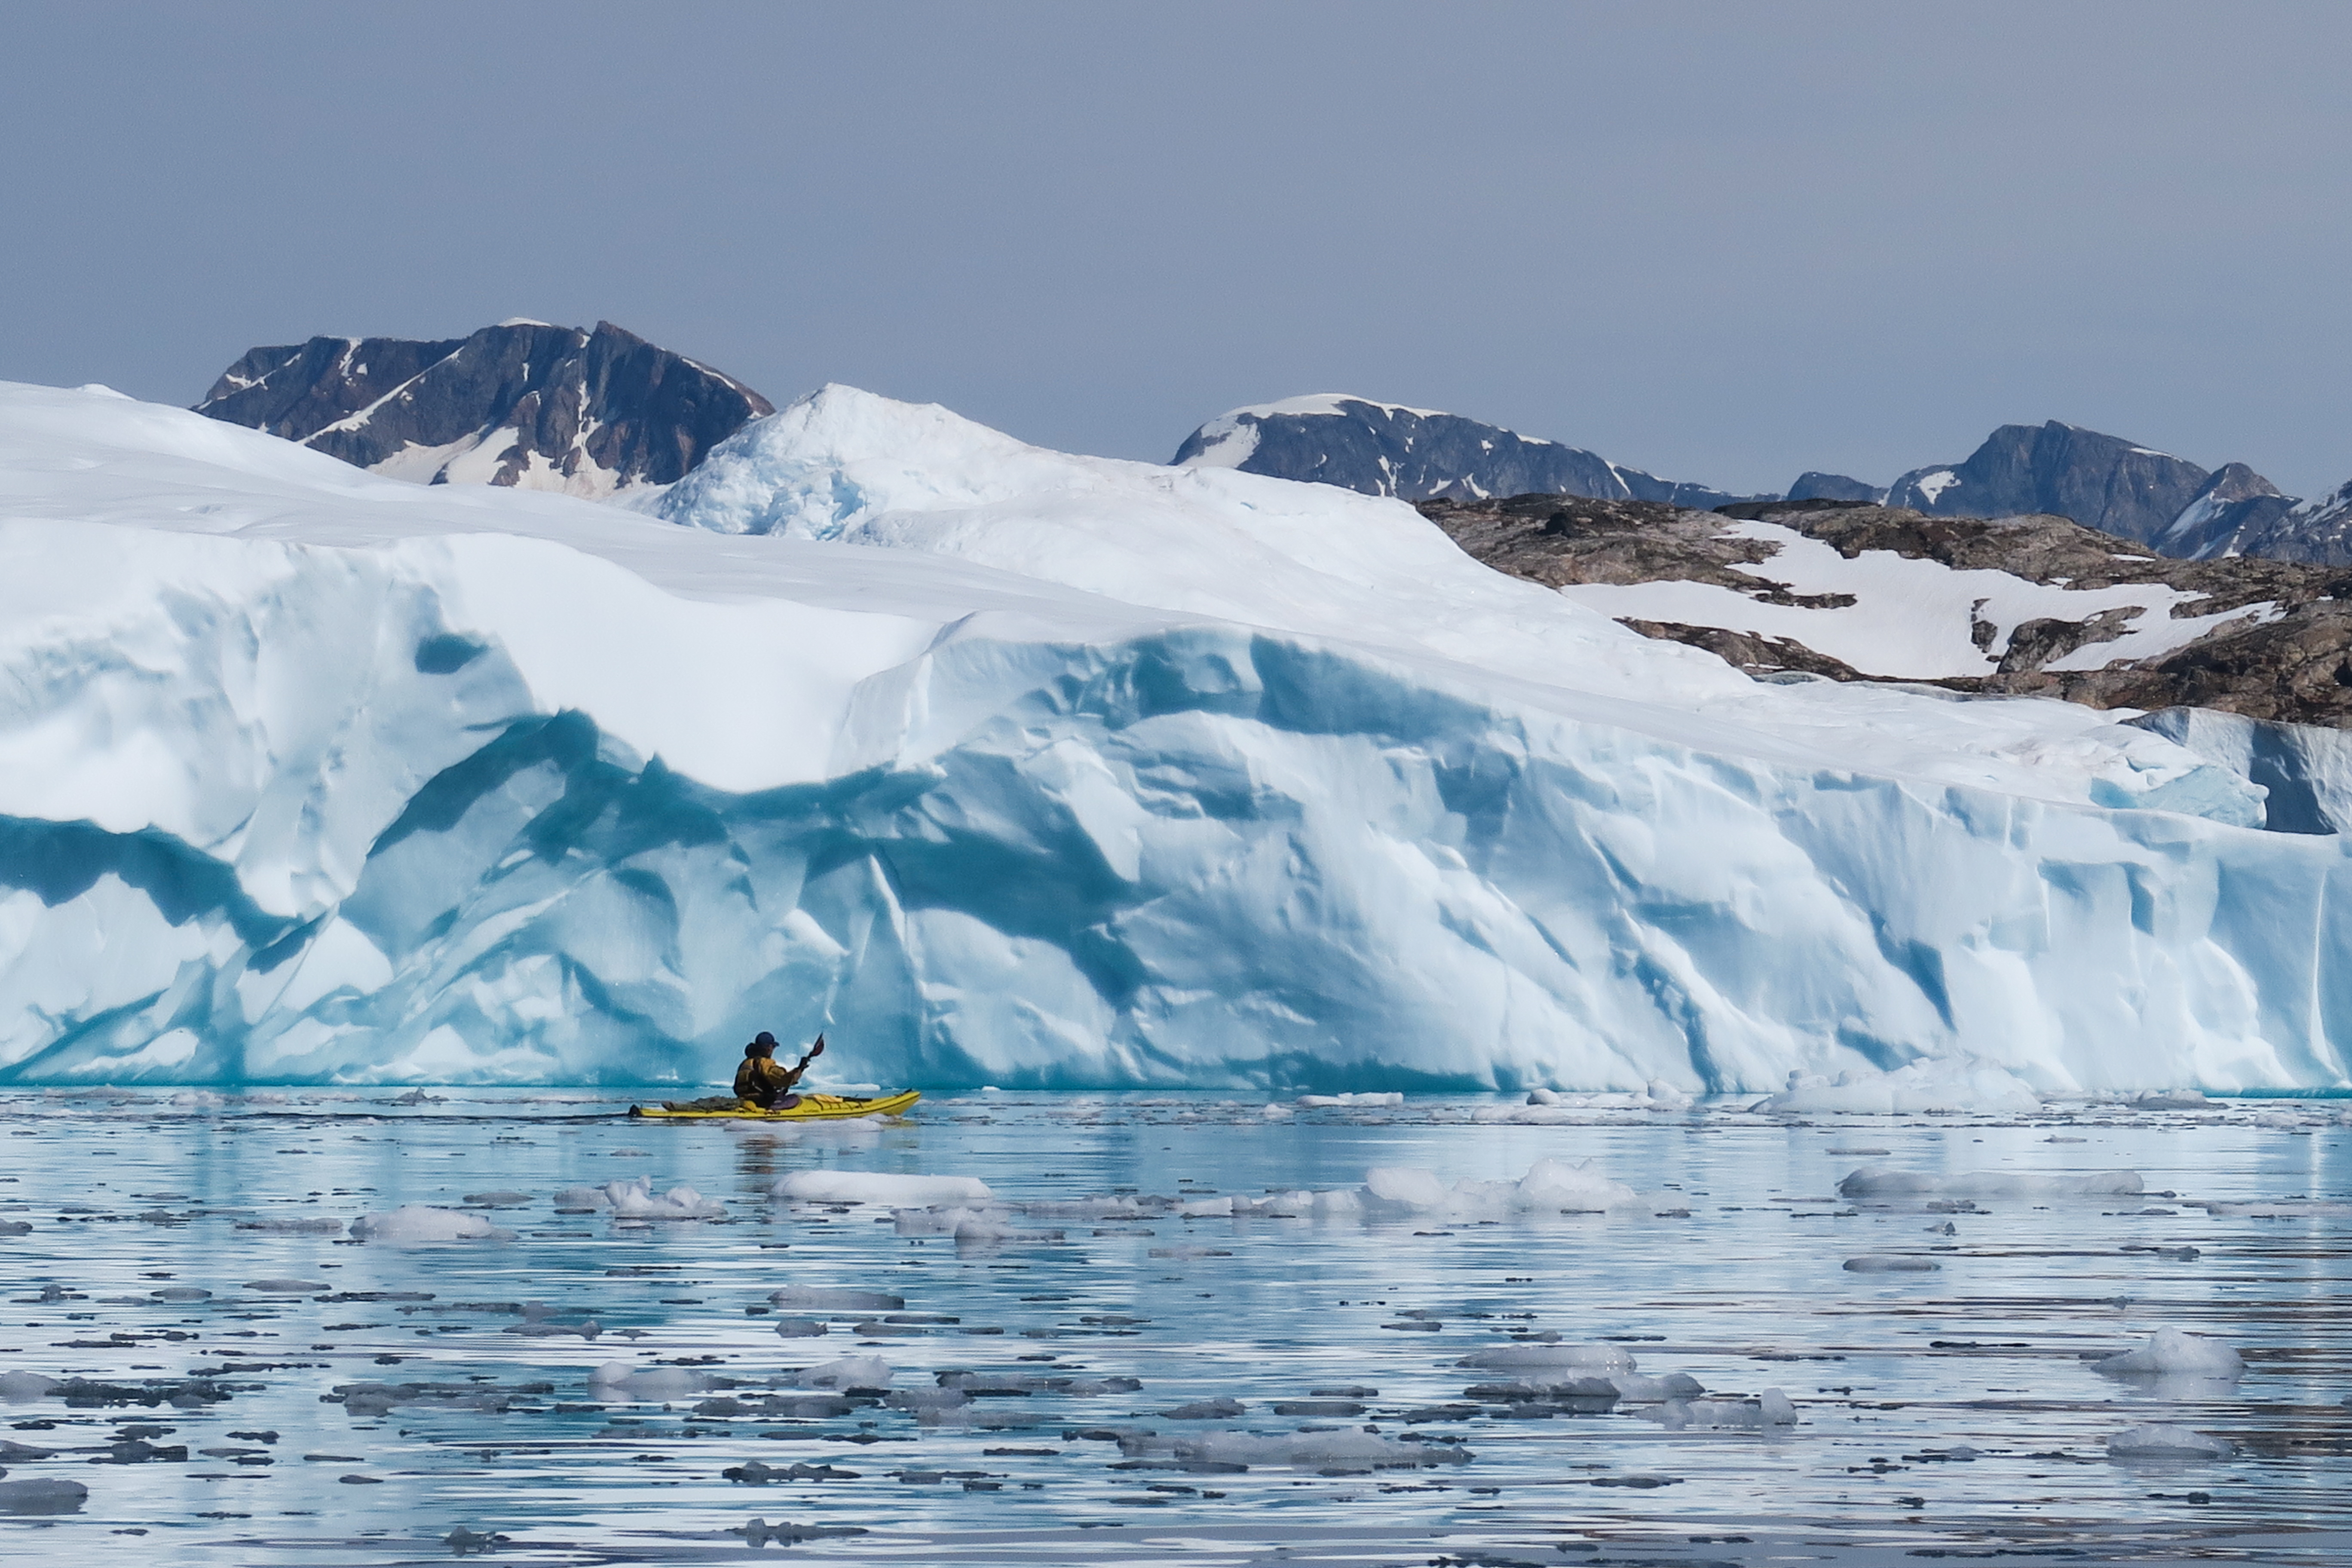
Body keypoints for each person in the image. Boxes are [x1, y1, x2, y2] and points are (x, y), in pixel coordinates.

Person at [735, 1031, 821, 1110]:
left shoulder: (746, 1063)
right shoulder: (764, 1063)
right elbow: (783, 1079)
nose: (772, 1050)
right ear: (768, 1047)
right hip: (762, 1102)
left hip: (745, 1100)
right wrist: (800, 1069)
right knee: (795, 1099)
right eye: (772, 1047)